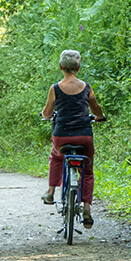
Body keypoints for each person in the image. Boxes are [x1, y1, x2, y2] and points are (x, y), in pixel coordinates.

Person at [40, 49, 107, 228]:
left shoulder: (54, 88)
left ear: (61, 67)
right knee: (88, 171)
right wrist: (100, 117)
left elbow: (47, 112)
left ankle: (50, 191)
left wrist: (46, 115)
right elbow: (96, 108)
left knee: (55, 157)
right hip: (84, 136)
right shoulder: (86, 87)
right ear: (78, 68)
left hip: (61, 135)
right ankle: (86, 209)